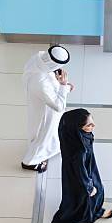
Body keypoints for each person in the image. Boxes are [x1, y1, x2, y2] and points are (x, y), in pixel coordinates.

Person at [52, 108, 112, 223]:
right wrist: (90, 187)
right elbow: (81, 171)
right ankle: (92, 213)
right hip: (83, 172)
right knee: (96, 191)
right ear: (78, 128)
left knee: (75, 194)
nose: (93, 126)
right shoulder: (79, 151)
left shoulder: (70, 135)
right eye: (89, 125)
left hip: (75, 169)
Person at [21, 45, 74, 173]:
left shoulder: (39, 59)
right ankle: (30, 162)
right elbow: (58, 105)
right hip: (47, 111)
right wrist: (63, 86)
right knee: (44, 135)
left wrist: (63, 86)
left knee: (47, 133)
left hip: (42, 103)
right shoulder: (41, 83)